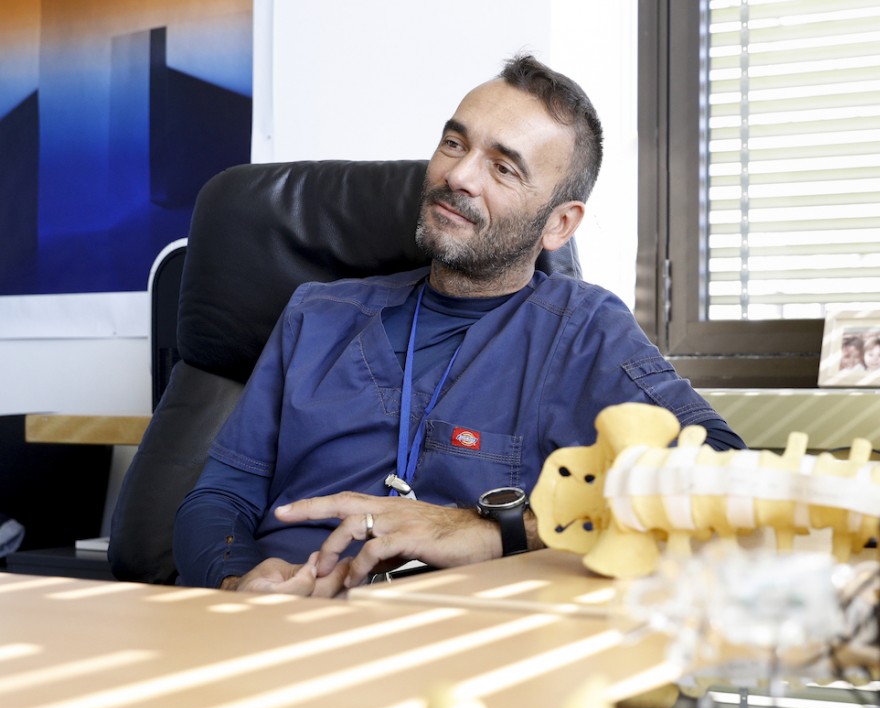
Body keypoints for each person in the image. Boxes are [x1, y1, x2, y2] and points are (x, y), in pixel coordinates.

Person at [173, 54, 744, 596]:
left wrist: (495, 530)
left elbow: (723, 474)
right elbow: (219, 497)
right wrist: (237, 583)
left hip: (454, 643)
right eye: (454, 143)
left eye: (502, 167)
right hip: (280, 625)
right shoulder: (317, 314)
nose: (459, 175)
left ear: (559, 224)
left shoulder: (583, 330)